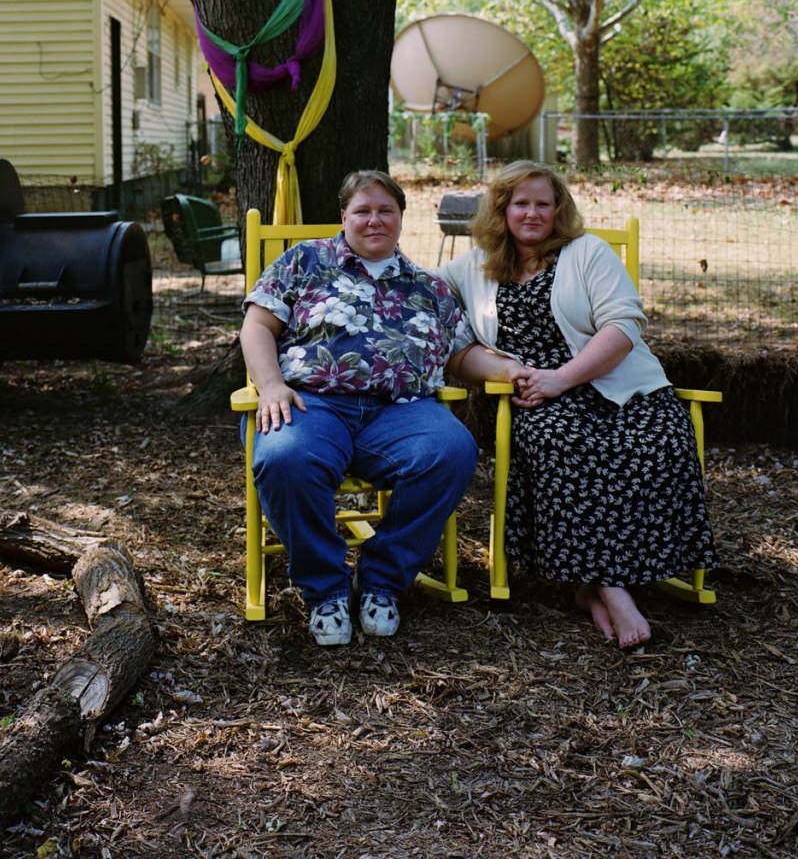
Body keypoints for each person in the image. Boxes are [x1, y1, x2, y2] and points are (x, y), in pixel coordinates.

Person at [441, 161, 716, 650]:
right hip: (532, 396)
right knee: (560, 441)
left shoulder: (588, 252)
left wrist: (560, 379)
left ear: (558, 209)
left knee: (661, 439)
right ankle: (615, 589)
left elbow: (624, 326)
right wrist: (509, 373)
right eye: (520, 203)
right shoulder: (471, 267)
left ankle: (592, 586)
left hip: (614, 383)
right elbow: (430, 312)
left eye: (543, 204)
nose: (532, 213)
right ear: (500, 210)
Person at [241, 170, 479, 647]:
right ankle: (325, 589)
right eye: (363, 211)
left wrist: (525, 374)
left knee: (452, 451)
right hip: (312, 404)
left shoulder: (428, 286)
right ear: (343, 216)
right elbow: (256, 326)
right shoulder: (305, 261)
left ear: (401, 219)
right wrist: (269, 385)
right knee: (285, 458)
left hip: (402, 412)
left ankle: (382, 581)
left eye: (385, 211)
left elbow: (461, 355)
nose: (375, 220)